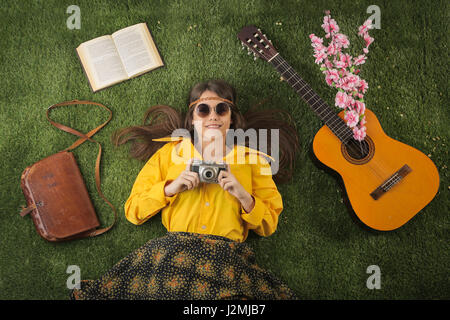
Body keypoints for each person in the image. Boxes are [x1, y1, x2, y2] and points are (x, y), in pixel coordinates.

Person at [70, 79, 300, 300]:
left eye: (222, 109)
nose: (213, 116)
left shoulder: (254, 161)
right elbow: (133, 212)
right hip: (174, 252)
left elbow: (269, 225)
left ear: (231, 118)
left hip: (226, 256)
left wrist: (243, 195)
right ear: (192, 118)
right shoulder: (169, 154)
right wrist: (171, 188)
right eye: (203, 110)